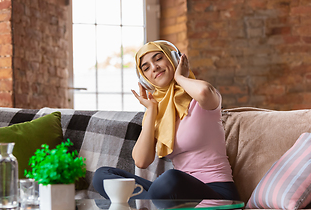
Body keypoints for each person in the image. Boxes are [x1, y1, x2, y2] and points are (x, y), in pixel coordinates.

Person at [92, 40, 240, 201]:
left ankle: (150, 204)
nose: (154, 67)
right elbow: (141, 161)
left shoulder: (201, 101)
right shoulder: (157, 114)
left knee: (169, 179)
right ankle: (155, 202)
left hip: (215, 190)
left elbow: (205, 91)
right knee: (102, 176)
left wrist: (179, 77)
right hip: (176, 194)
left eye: (158, 59)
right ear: (145, 78)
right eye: (146, 68)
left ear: (174, 59)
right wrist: (151, 110)